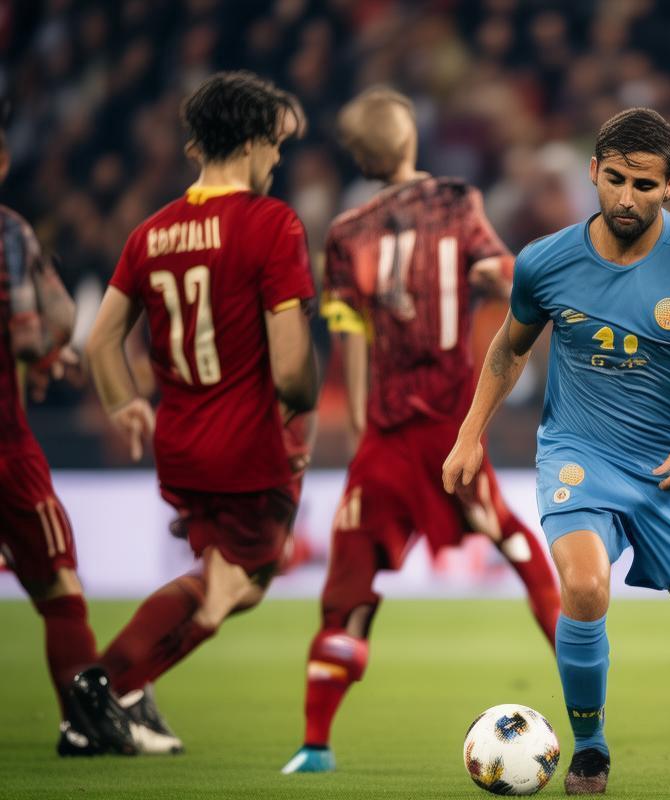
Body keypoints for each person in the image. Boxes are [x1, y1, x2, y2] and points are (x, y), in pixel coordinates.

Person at [443, 108, 670, 794]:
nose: (626, 198)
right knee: (582, 587)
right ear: (593, 172)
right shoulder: (545, 261)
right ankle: (590, 751)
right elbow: (508, 351)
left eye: (644, 185)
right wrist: (469, 434)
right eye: (614, 179)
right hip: (580, 455)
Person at [280, 87, 561, 775]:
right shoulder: (456, 203)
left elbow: (350, 341)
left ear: (360, 159)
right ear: (411, 140)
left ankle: (314, 743)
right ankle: (582, 673)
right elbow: (505, 278)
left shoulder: (345, 233)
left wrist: (361, 430)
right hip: (448, 424)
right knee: (511, 538)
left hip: (384, 433)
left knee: (350, 586)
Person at [78, 71, 318, 756]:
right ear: (250, 142)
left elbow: (101, 341)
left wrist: (124, 401)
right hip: (247, 442)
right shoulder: (271, 223)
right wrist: (299, 408)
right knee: (226, 587)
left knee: (246, 579)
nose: (278, 159)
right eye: (276, 145)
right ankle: (104, 688)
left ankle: (120, 695)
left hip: (181, 440)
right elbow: (290, 365)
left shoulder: (151, 232)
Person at [0, 128, 107, 756]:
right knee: (58, 587)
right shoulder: (10, 231)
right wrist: (46, 356)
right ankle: (83, 725)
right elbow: (39, 328)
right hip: (6, 448)